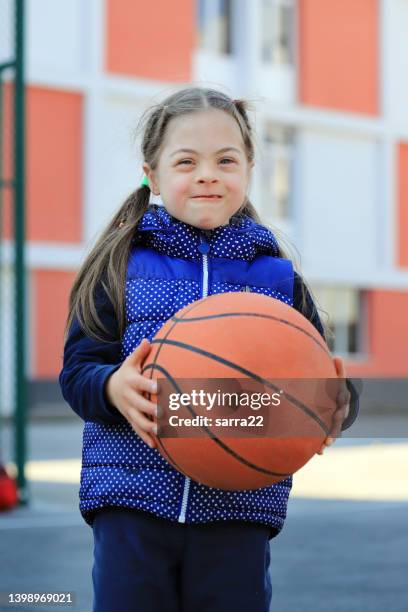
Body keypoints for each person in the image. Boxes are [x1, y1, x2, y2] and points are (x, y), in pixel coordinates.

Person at [59, 87, 358, 612]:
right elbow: (78, 372)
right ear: (151, 173)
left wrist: (333, 403)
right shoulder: (121, 268)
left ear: (248, 168)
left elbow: (316, 387)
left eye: (226, 160)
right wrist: (112, 386)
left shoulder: (276, 278)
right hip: (131, 501)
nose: (207, 174)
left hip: (239, 505)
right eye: (186, 161)